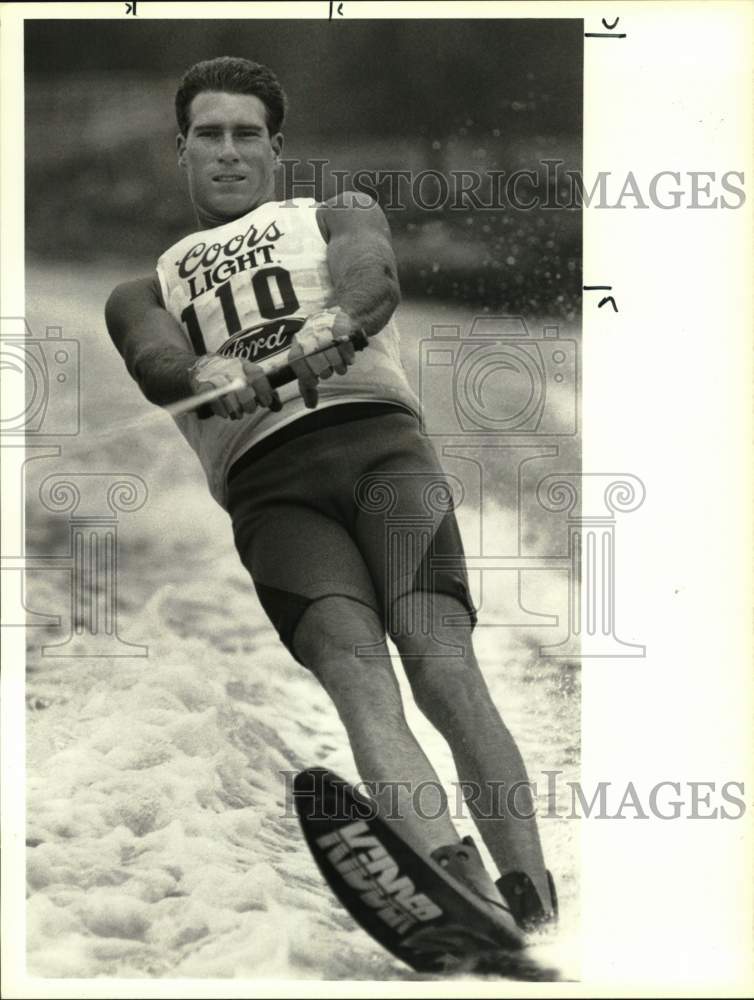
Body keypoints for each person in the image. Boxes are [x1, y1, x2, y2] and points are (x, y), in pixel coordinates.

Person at [105, 56, 557, 938]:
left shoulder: (332, 213)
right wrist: (208, 367)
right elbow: (156, 362)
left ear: (275, 148)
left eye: (246, 135)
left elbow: (372, 279)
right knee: (359, 682)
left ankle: (532, 898)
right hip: (273, 498)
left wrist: (336, 322)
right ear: (182, 149)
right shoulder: (140, 290)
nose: (228, 153)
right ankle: (453, 883)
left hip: (382, 456)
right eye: (209, 135)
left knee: (442, 666)